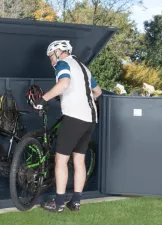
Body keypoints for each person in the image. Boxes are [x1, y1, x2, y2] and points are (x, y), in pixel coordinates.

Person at [34, 40, 102, 212]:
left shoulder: (63, 63)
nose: (51, 60)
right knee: (79, 160)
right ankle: (76, 202)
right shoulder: (84, 68)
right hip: (90, 119)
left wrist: (44, 99)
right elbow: (98, 92)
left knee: (61, 160)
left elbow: (64, 84)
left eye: (51, 56)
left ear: (58, 52)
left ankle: (58, 204)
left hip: (74, 118)